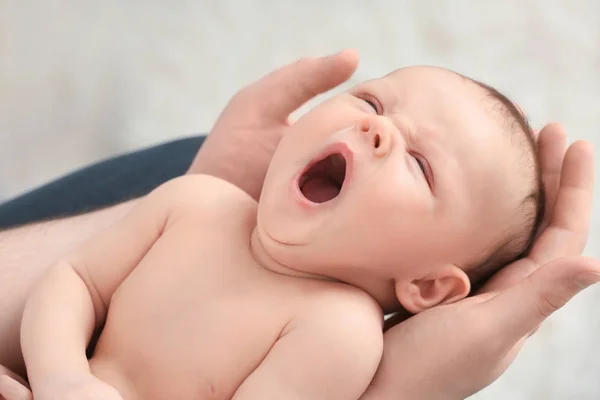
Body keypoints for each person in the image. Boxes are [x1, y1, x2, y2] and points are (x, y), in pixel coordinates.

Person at [0, 50, 596, 400]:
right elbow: (73, 279)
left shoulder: (335, 330)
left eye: (419, 164)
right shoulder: (196, 201)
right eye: (372, 103)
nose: (376, 130)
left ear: (429, 287)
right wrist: (62, 376)